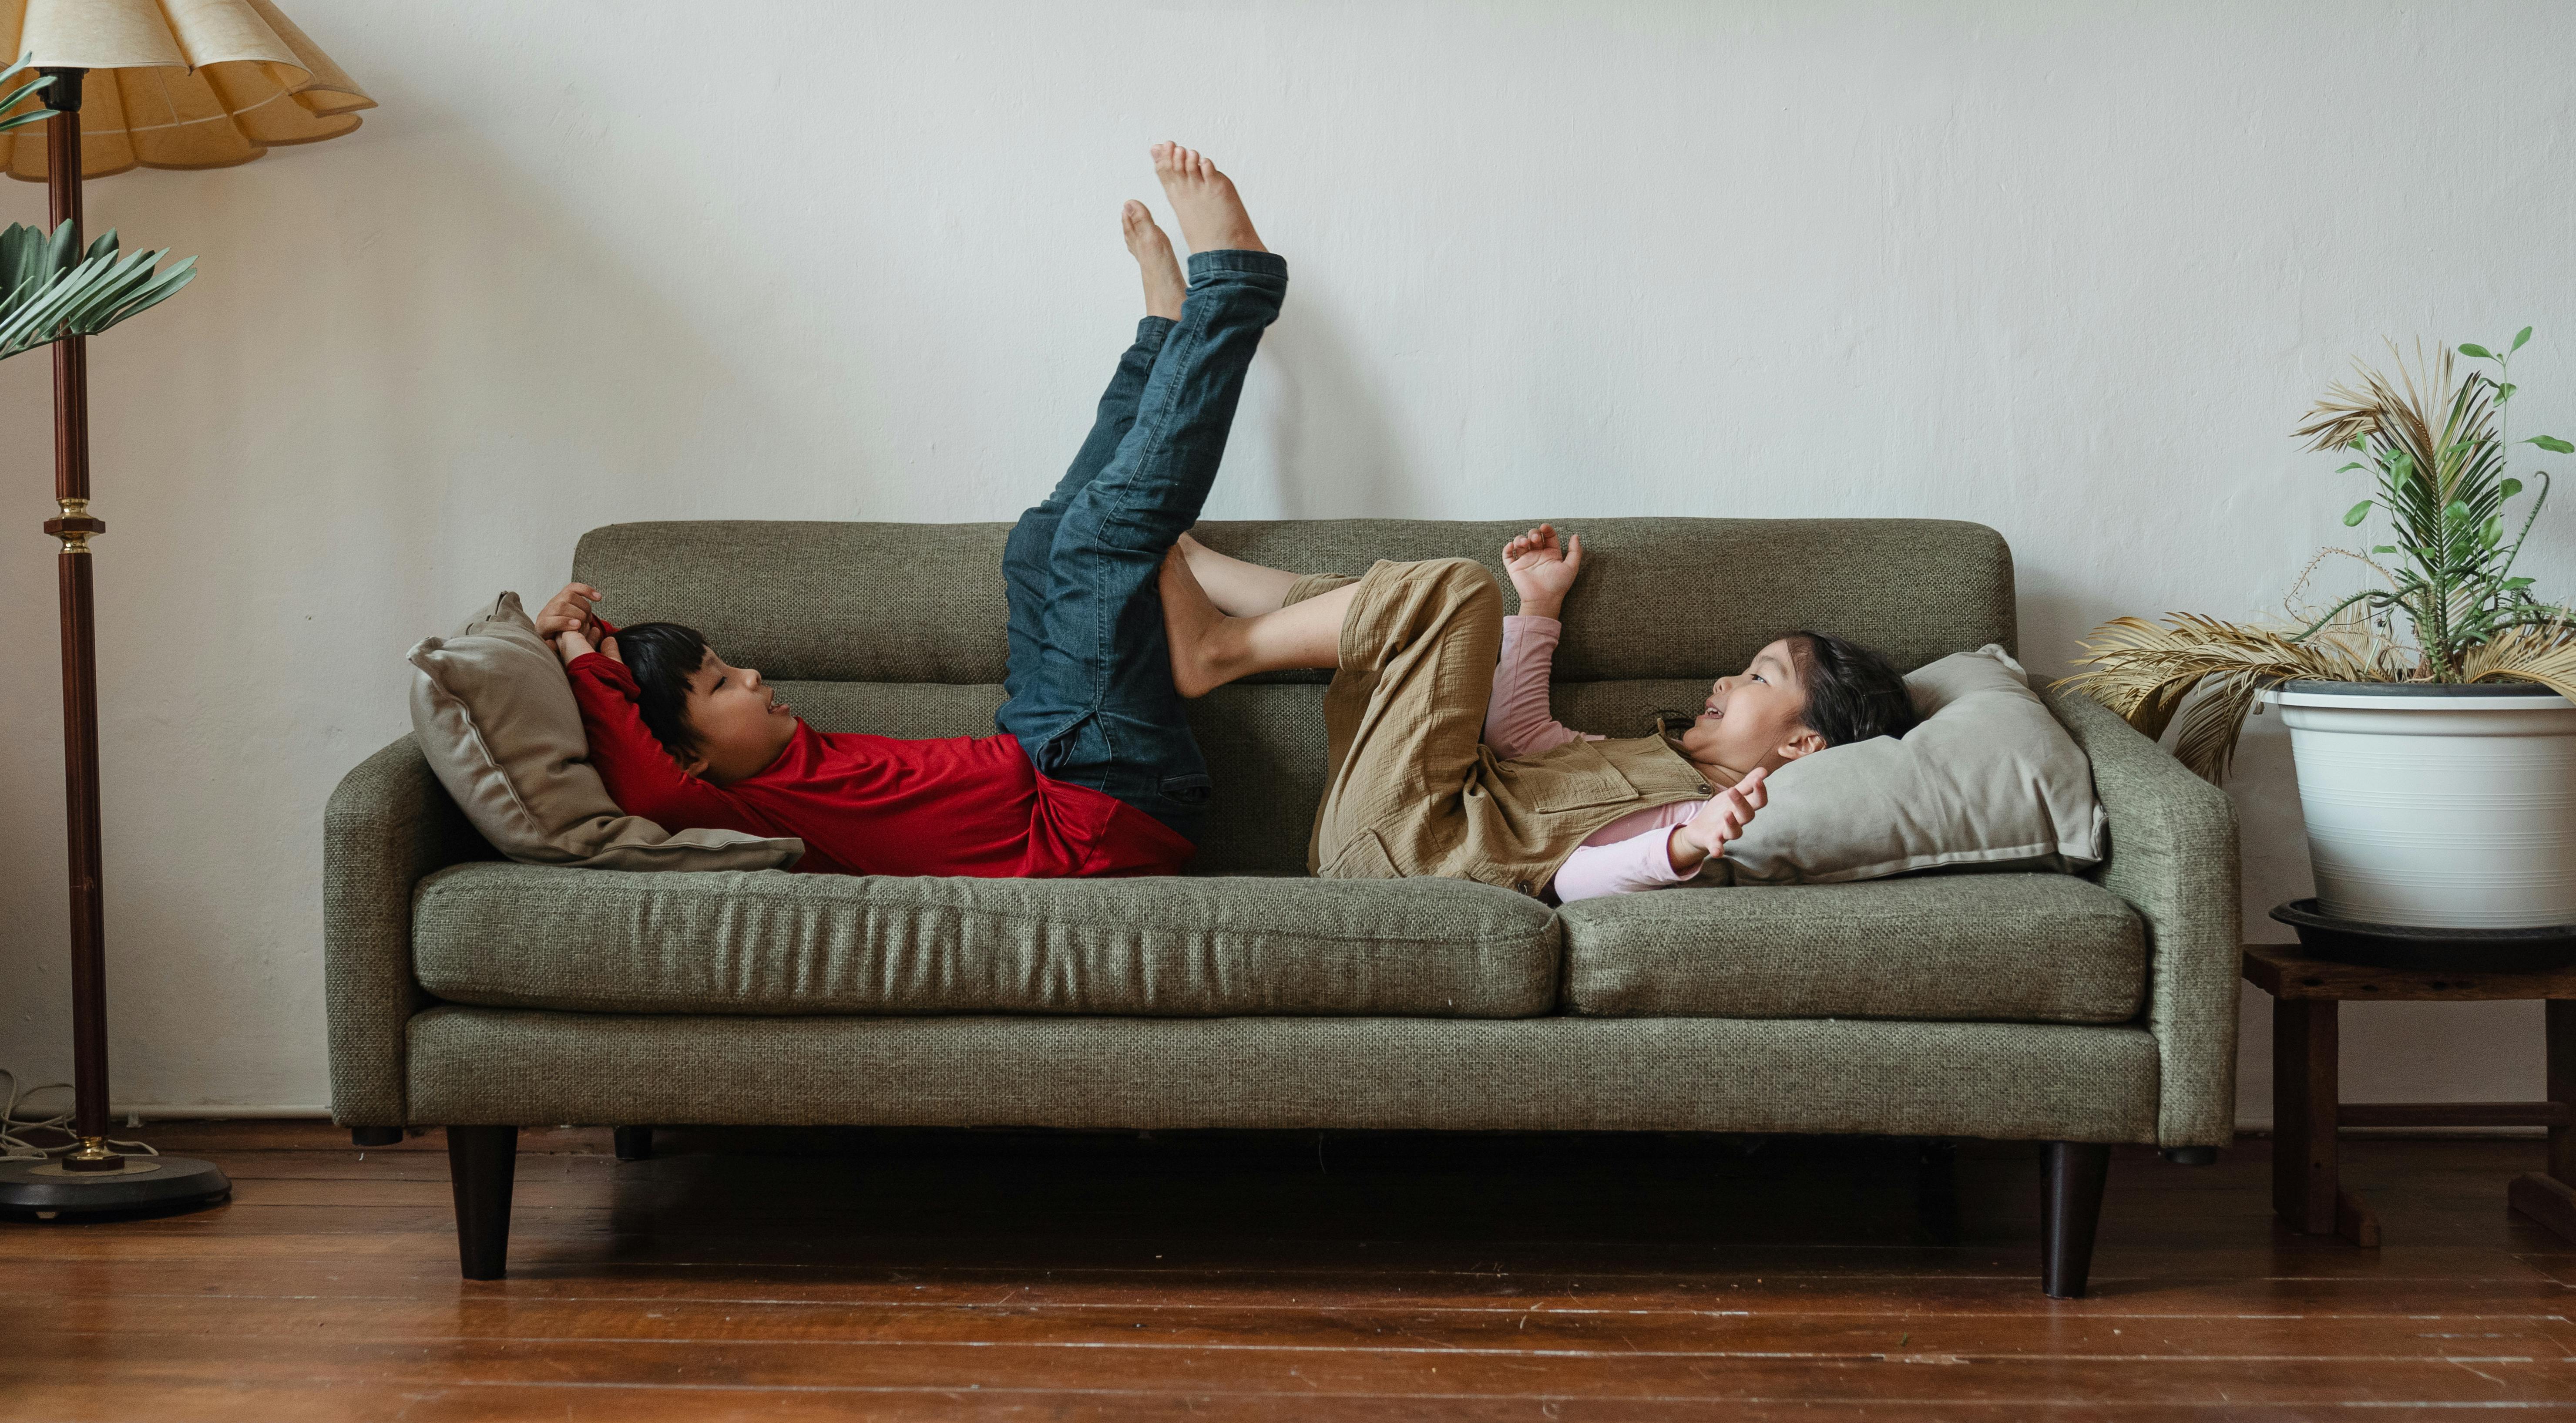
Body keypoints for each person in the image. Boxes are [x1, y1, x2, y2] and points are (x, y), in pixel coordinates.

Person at [529, 143, 1285, 878]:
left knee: (1036, 545)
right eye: (723, 685)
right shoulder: (746, 806)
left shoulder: (783, 760)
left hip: (1046, 751)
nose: (754, 675)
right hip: (1096, 813)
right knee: (1094, 545)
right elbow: (644, 779)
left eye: (730, 667)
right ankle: (1235, 289)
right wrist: (580, 661)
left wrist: (603, 635)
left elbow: (648, 702)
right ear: (691, 758)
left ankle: (1163, 335)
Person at [1157, 522, 1918, 900]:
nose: (1724, 678)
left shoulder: (1698, 809)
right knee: (1390, 610)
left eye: (1758, 675)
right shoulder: (1658, 758)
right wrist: (1540, 604)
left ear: (1804, 743)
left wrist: (1685, 847)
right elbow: (1522, 736)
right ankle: (1193, 566)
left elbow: (1576, 877)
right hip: (1398, 822)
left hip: (1419, 852)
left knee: (1457, 592)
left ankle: (1216, 648)